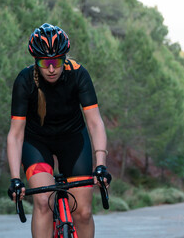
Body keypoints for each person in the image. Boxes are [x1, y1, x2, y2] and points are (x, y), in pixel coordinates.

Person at [6, 23, 111, 238]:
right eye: (45, 62)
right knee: (44, 201)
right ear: (36, 61)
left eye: (57, 62)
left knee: (82, 213)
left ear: (65, 58)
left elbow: (95, 122)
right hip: (37, 142)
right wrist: (15, 178)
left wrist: (101, 164)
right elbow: (16, 134)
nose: (52, 69)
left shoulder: (79, 74)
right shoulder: (24, 81)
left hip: (73, 140)